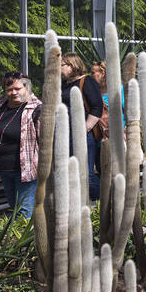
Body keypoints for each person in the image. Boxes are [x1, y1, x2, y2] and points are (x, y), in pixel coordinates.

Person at [0, 71, 41, 218]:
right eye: (9, 89)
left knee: (24, 211)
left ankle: (26, 240)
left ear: (27, 88)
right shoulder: (0, 106)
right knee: (14, 207)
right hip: (3, 168)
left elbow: (46, 140)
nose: (13, 93)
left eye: (17, 89)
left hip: (25, 170)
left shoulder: (36, 109)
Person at [59, 54, 101, 201]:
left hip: (82, 135)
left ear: (72, 65)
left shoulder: (87, 81)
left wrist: (84, 129)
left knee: (86, 174)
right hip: (65, 134)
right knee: (71, 172)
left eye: (61, 65)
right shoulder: (63, 84)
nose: (58, 68)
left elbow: (97, 107)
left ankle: (99, 203)